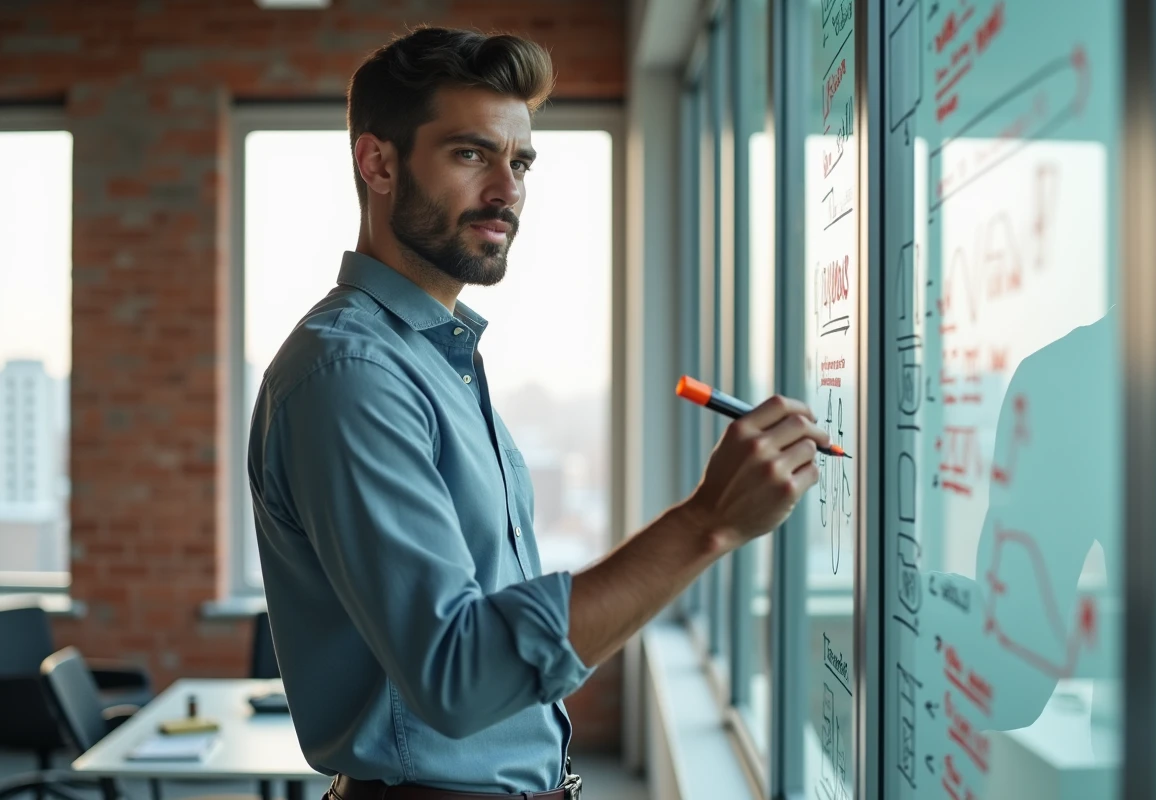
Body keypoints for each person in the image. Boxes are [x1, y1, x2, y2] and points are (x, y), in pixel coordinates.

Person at [246, 26, 829, 800]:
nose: (507, 190)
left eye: (519, 162)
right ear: (377, 162)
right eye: (470, 154)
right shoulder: (350, 375)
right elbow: (457, 675)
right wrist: (707, 522)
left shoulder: (434, 361)